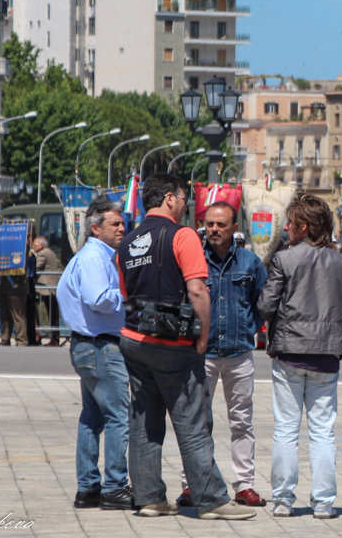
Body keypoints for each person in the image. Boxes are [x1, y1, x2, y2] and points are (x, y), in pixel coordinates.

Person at [116, 173, 254, 520]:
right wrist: (203, 337)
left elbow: (125, 294)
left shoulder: (127, 241)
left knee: (145, 422)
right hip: (174, 342)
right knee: (192, 421)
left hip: (133, 339)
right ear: (170, 199)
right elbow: (197, 290)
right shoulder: (182, 235)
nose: (185, 205)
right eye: (183, 198)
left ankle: (149, 498)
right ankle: (211, 500)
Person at [258, 192, 342, 519]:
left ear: (304, 227)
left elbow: (265, 306)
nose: (286, 227)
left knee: (287, 429)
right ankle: (323, 503)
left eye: (290, 222)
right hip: (327, 357)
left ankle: (283, 500)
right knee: (322, 431)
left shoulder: (284, 259)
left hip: (289, 354)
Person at [175, 201, 269, 509]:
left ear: (234, 227)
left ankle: (244, 485)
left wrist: (248, 330)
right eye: (210, 224)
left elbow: (262, 303)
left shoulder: (251, 263)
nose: (214, 230)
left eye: (221, 224)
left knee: (242, 421)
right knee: (197, 421)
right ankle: (192, 484)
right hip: (202, 353)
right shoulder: (193, 261)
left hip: (239, 354)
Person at [56, 198, 134, 510]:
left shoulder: (95, 256)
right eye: (115, 224)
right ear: (96, 227)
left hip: (89, 343)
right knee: (118, 416)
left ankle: (88, 487)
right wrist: (129, 298)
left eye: (122, 223)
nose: (121, 228)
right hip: (99, 345)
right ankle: (114, 486)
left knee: (93, 417)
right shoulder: (93, 258)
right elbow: (99, 298)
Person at [33, 236, 65, 346]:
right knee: (53, 313)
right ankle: (55, 337)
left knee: (50, 313)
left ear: (42, 245)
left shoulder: (43, 253)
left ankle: (52, 338)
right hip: (52, 287)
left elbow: (35, 266)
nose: (33, 246)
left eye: (35, 244)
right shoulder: (51, 252)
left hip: (46, 288)